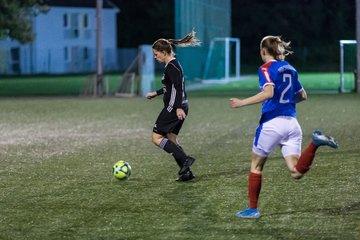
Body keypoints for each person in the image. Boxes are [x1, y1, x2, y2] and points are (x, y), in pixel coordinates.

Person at [229, 35, 338, 218]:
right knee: (296, 172)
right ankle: (315, 143)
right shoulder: (291, 69)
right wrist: (285, 102)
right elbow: (302, 95)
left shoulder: (265, 68)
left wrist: (242, 102)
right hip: (292, 124)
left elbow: (268, 92)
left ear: (263, 51)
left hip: (272, 123)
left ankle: (253, 209)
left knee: (256, 166)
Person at [145, 31, 200, 181]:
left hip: (174, 107)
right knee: (172, 139)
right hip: (180, 105)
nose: (155, 58)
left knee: (156, 137)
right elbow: (170, 87)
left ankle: (185, 158)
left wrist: (177, 107)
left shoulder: (172, 67)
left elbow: (178, 88)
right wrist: (156, 93)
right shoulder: (172, 65)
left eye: (156, 54)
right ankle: (186, 173)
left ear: (164, 52)